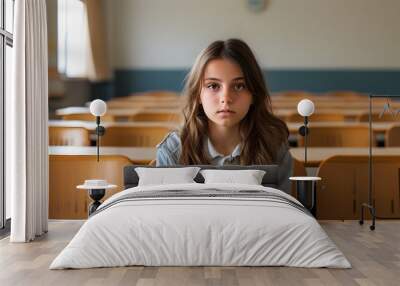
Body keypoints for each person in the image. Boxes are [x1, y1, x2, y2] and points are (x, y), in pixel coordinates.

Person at [156, 38, 292, 193]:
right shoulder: (173, 150)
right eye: (213, 86)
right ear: (197, 95)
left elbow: (282, 213)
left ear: (254, 94)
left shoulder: (273, 146)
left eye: (239, 86)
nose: (226, 98)